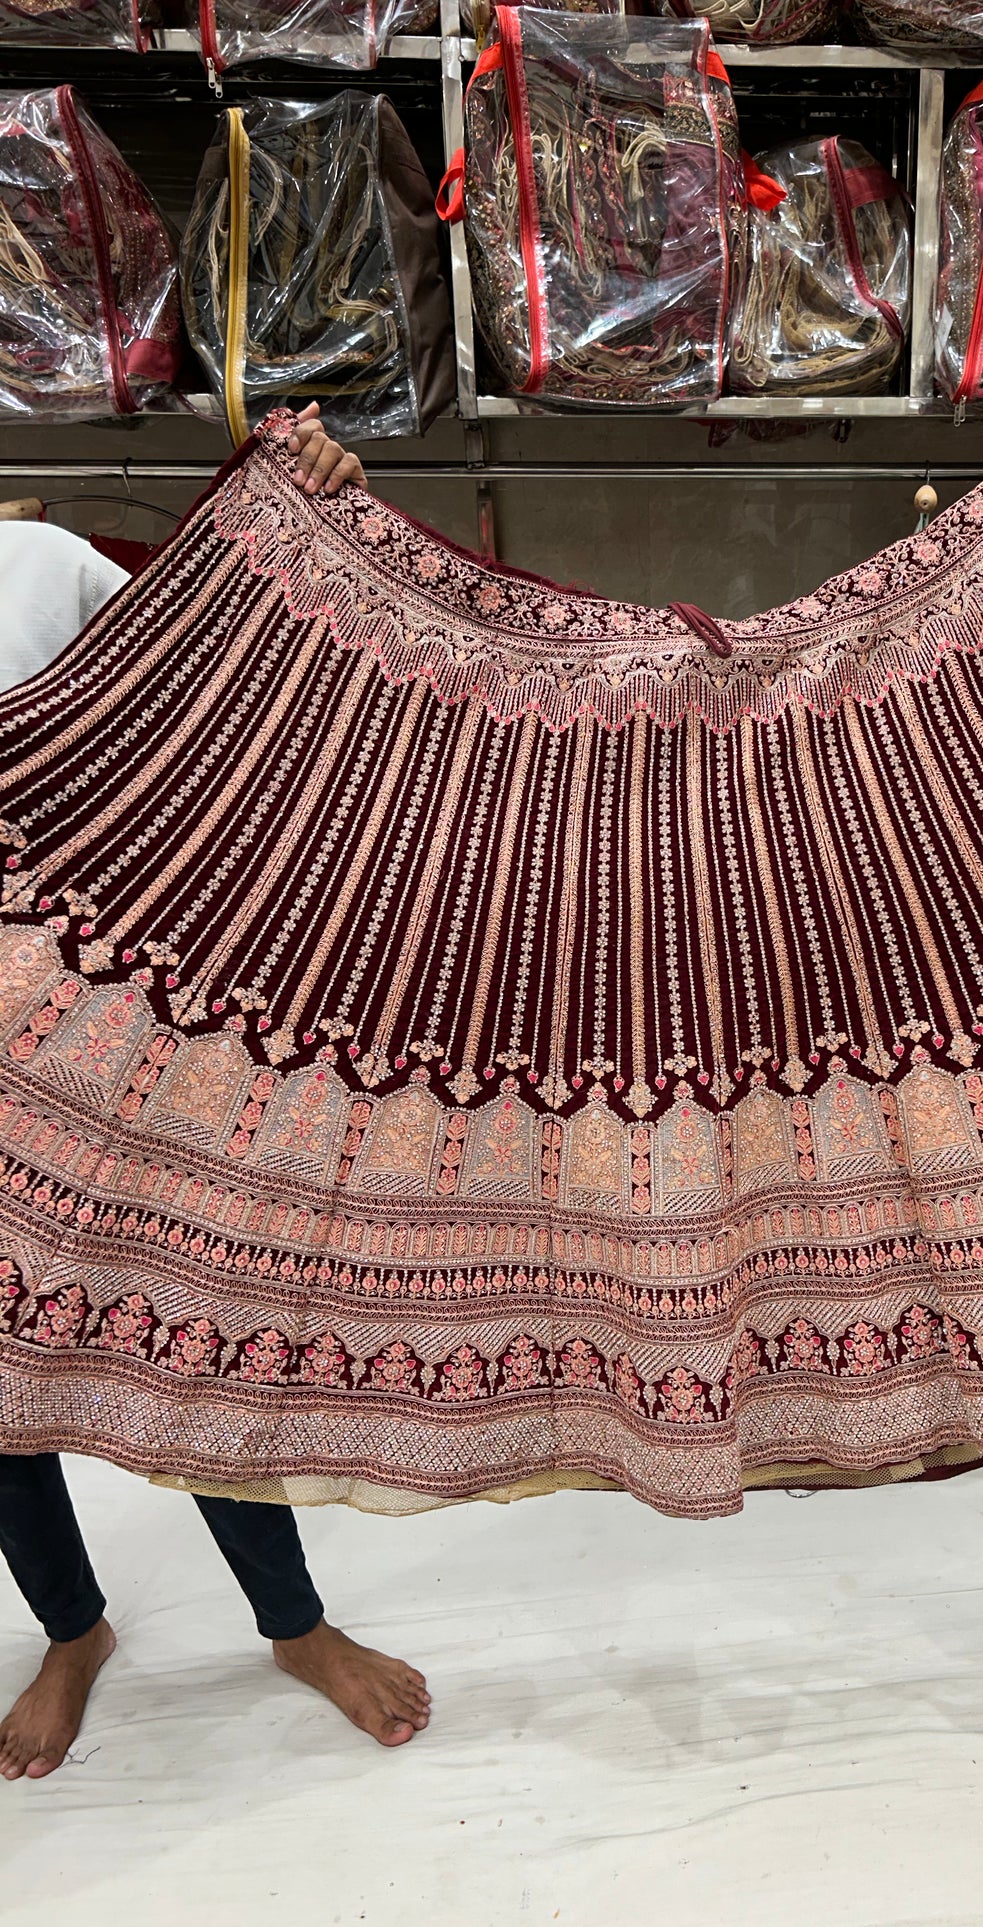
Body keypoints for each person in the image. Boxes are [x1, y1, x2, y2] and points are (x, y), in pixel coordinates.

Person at [0, 407, 432, 1781]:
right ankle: (71, 1630)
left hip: (108, 1037)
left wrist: (314, 531)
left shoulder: (41, 568)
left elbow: (222, 699)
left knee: (195, 1321)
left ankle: (293, 1623)